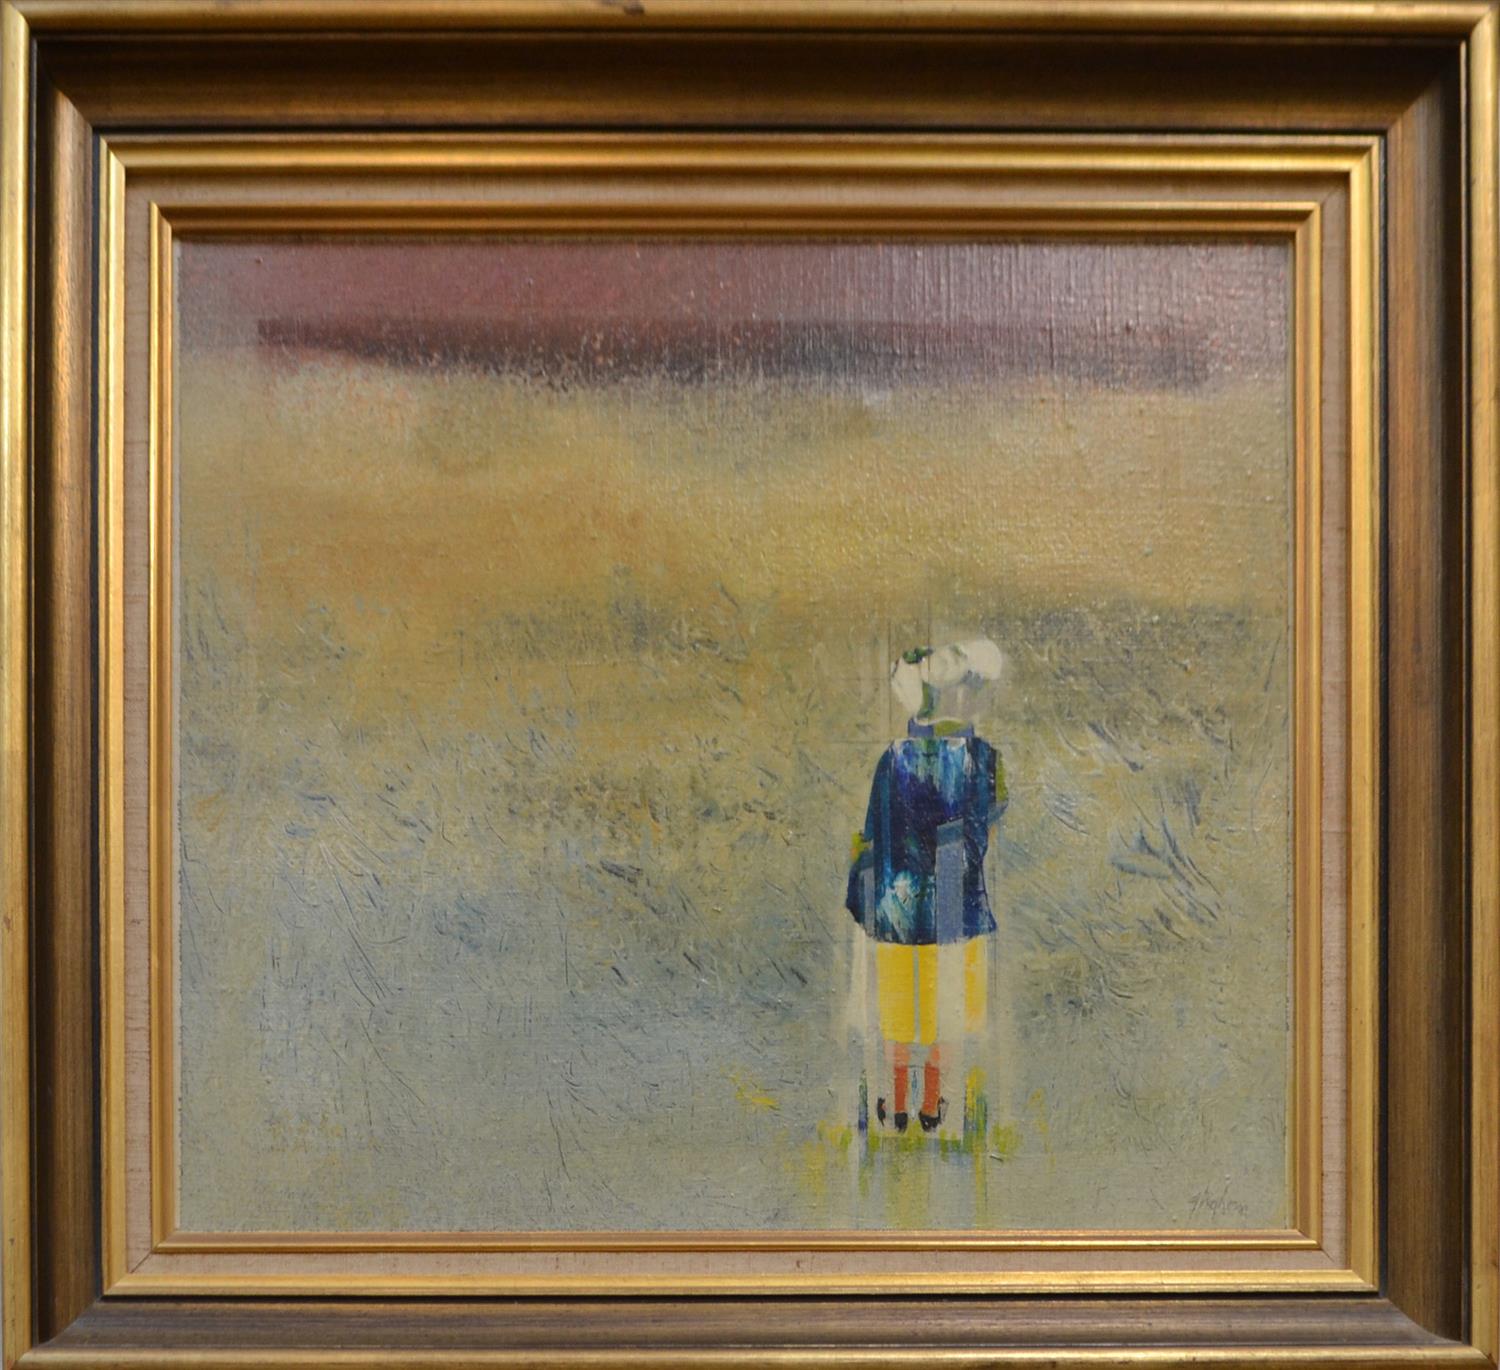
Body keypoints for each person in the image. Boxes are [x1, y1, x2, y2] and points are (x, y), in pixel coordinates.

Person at [845, 639, 1007, 1133]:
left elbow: (871, 835)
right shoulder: (983, 758)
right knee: (947, 1006)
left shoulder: (891, 759)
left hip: (896, 904)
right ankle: (933, 1105)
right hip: (956, 902)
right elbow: (990, 819)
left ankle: (897, 1105)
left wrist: (863, 899)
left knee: (898, 1006)